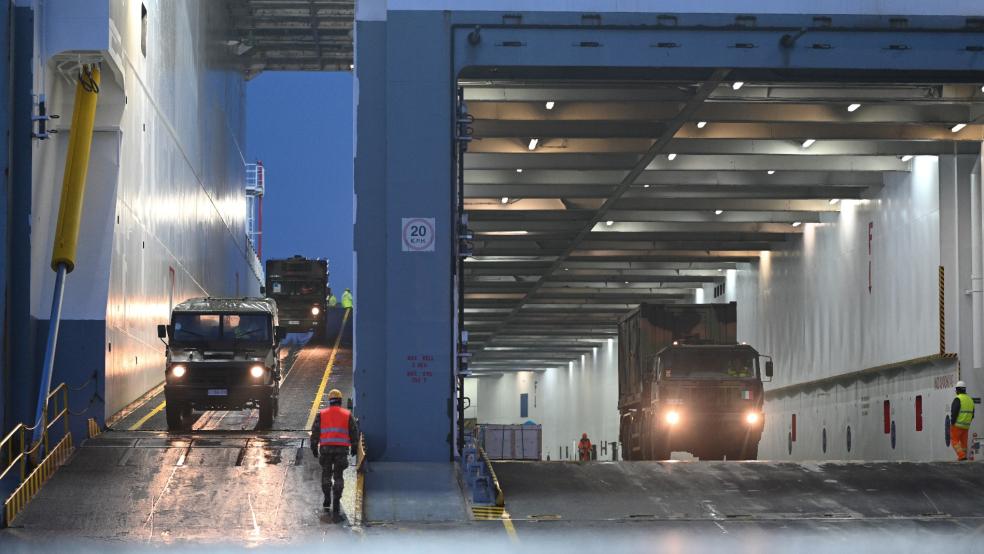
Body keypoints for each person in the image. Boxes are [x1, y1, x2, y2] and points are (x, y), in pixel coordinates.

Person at [310, 389, 360, 522]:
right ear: (340, 400)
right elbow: (354, 433)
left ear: (330, 401)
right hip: (341, 450)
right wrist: (354, 448)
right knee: (338, 476)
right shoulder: (347, 414)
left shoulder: (322, 414)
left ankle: (327, 500)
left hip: (326, 449)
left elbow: (315, 432)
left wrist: (314, 448)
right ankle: (336, 504)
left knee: (326, 474)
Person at [951, 380, 975, 461]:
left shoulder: (958, 399)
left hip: (957, 425)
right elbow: (973, 414)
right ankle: (963, 457)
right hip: (966, 426)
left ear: (957, 390)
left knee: (954, 441)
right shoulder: (970, 400)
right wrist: (967, 422)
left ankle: (961, 456)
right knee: (963, 444)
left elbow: (954, 412)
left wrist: (952, 423)